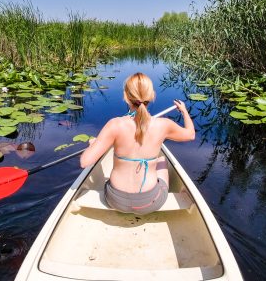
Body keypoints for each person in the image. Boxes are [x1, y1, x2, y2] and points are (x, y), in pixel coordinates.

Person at [79, 72, 195, 215]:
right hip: (149, 202)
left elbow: (85, 162)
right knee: (162, 160)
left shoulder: (115, 124)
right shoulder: (164, 125)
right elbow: (190, 135)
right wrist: (184, 111)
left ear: (126, 97)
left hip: (115, 200)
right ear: (151, 96)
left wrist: (93, 144)